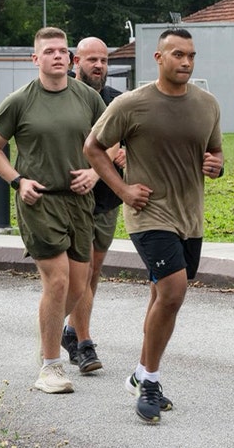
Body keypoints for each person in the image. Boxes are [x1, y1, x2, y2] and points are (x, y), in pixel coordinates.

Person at [85, 28, 223, 423]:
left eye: (191, 55)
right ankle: (150, 382)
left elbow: (214, 154)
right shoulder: (132, 104)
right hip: (148, 214)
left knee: (162, 297)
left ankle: (141, 371)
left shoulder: (207, 105)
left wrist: (216, 166)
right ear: (159, 58)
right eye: (177, 54)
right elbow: (93, 148)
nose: (186, 62)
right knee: (173, 291)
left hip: (189, 217)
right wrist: (123, 190)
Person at [0, 27, 106, 395]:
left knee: (80, 285)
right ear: (35, 58)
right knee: (59, 280)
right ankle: (50, 367)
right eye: (49, 51)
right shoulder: (20, 101)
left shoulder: (89, 98)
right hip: (38, 199)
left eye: (63, 51)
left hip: (80, 201)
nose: (57, 56)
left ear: (70, 59)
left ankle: (49, 339)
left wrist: (95, 172)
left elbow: (111, 144)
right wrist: (18, 181)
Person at [60, 36, 125, 375]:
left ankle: (71, 329)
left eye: (103, 60)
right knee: (79, 274)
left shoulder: (118, 101)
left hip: (106, 201)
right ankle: (83, 343)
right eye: (91, 60)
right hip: (71, 201)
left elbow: (126, 142)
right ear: (76, 62)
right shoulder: (63, 98)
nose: (98, 66)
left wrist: (128, 153)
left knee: (93, 272)